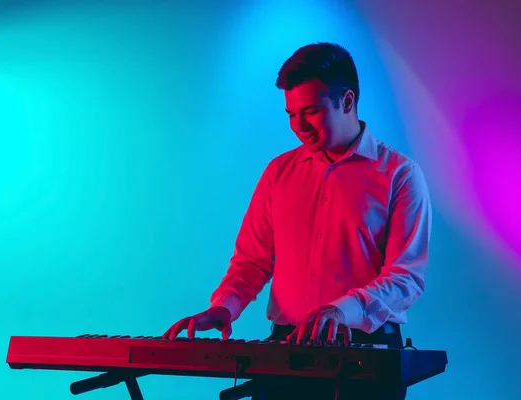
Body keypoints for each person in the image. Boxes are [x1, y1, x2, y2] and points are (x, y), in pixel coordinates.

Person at [163, 42, 431, 400]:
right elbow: (251, 261)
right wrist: (223, 308)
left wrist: (341, 310)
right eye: (291, 114)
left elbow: (406, 277)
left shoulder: (400, 174)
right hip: (285, 349)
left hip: (366, 354)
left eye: (311, 111)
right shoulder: (279, 173)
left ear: (348, 101)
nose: (298, 126)